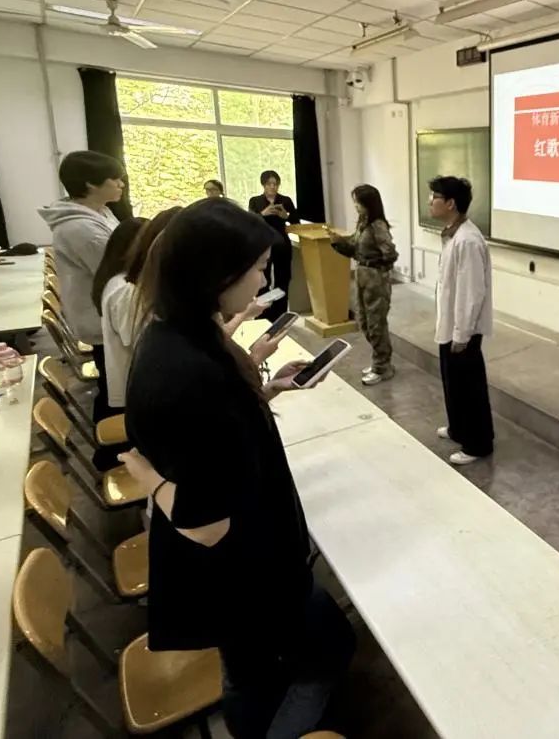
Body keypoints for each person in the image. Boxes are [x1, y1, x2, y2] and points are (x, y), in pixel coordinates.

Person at [117, 199, 354, 739]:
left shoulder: (180, 334)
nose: (264, 280)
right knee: (301, 660)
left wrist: (267, 390)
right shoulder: (185, 370)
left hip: (251, 565)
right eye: (258, 268)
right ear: (216, 274)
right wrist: (148, 478)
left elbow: (218, 438)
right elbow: (205, 522)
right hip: (248, 572)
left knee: (254, 669)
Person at [38, 150, 125, 422]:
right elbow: (116, 270)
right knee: (115, 386)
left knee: (114, 379)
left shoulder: (101, 212)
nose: (121, 184)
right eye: (115, 179)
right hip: (101, 316)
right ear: (90, 184)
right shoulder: (81, 228)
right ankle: (112, 436)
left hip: (106, 311)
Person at [429, 175, 494, 466]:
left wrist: (462, 334)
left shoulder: (467, 241)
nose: (430, 201)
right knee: (453, 383)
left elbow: (471, 293)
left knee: (469, 388)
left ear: (451, 203)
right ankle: (458, 428)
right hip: (451, 326)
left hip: (462, 330)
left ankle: (478, 444)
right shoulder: (453, 234)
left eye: (435, 197)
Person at [327, 184, 399, 386]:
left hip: (375, 279)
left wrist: (377, 267)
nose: (356, 206)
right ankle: (379, 362)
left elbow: (390, 253)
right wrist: (337, 241)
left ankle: (382, 366)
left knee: (376, 324)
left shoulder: (377, 226)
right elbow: (354, 249)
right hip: (362, 277)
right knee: (364, 322)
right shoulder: (363, 223)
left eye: (358, 203)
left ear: (369, 203)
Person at [90, 216, 147, 415]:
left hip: (133, 382)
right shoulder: (126, 290)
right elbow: (138, 341)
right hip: (134, 389)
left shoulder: (116, 281)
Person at [248, 170, 298, 321]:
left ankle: (280, 314)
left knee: (283, 278)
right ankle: (263, 314)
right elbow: (250, 221)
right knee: (263, 280)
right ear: (263, 185)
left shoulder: (285, 200)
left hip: (282, 244)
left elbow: (296, 221)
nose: (272, 187)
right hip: (263, 245)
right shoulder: (255, 201)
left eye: (275, 184)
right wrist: (263, 214)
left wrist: (285, 216)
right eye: (269, 184)